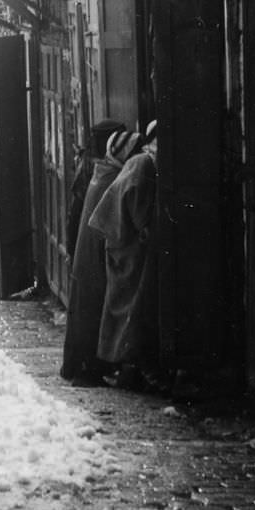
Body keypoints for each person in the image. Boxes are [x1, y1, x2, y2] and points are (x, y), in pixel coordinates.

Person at [60, 125, 142, 386]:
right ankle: (88, 370)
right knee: (95, 312)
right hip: (96, 260)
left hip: (87, 258)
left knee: (87, 312)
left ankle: (85, 367)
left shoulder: (100, 173)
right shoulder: (110, 180)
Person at [89, 120, 162, 392]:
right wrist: (145, 228)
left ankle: (122, 364)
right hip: (127, 245)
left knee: (121, 305)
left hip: (121, 241)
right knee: (130, 306)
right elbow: (137, 204)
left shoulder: (139, 162)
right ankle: (126, 365)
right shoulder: (143, 164)